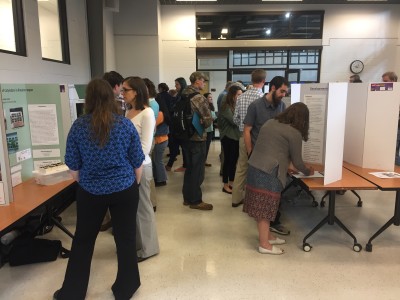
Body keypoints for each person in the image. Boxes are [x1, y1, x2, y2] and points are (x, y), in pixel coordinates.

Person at [54, 78, 145, 300]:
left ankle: (73, 292)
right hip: (124, 188)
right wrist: (135, 185)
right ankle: (126, 287)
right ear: (111, 98)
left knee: (83, 240)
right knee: (125, 238)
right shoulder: (125, 125)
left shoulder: (79, 126)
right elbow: (137, 162)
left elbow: (73, 166)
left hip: (91, 191)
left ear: (89, 100)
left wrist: (85, 182)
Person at [244, 102, 314, 255]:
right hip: (269, 172)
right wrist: (309, 171)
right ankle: (264, 245)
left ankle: (267, 236)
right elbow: (298, 162)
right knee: (266, 208)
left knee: (260, 206)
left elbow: (275, 149)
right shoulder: (294, 132)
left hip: (255, 167)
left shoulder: (270, 122)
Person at [243, 76, 289, 235]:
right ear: (273, 87)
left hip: (277, 158)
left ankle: (273, 223)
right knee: (262, 195)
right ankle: (265, 230)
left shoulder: (281, 106)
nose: (284, 94)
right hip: (260, 159)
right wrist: (250, 152)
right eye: (282, 91)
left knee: (276, 193)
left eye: (286, 92)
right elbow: (247, 130)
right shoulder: (255, 106)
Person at [123, 76, 160, 262]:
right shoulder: (127, 112)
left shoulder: (147, 113)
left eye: (125, 90)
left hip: (141, 166)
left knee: (144, 208)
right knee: (133, 209)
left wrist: (128, 160)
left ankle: (149, 248)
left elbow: (145, 146)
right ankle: (138, 245)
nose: (122, 94)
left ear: (135, 91)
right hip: (127, 167)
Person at [231, 69, 266, 207]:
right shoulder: (263, 98)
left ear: (252, 80)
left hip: (242, 137)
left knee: (241, 168)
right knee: (259, 170)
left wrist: (242, 125)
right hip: (259, 139)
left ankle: (236, 199)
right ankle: (255, 200)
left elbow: (235, 118)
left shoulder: (241, 97)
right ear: (263, 81)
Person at [181, 71, 213, 210]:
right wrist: (204, 121)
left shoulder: (182, 94)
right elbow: (208, 119)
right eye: (203, 81)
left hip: (184, 136)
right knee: (198, 170)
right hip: (197, 137)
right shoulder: (198, 98)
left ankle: (187, 198)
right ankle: (195, 200)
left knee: (189, 168)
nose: (204, 84)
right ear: (197, 81)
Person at [100, 70, 125, 232]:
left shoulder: (81, 124)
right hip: (117, 158)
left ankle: (106, 221)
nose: (122, 91)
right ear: (116, 86)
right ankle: (115, 224)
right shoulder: (120, 104)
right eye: (122, 87)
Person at [218, 85, 243, 194]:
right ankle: (225, 184)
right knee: (228, 161)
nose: (240, 97)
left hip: (235, 137)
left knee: (233, 161)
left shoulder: (235, 105)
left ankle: (231, 183)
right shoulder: (225, 106)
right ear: (232, 95)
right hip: (228, 137)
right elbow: (234, 121)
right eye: (238, 94)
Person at [166, 77, 188, 172]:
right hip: (176, 125)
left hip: (181, 126)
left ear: (182, 84)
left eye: (177, 84)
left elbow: (178, 109)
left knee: (182, 147)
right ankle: (170, 165)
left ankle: (184, 165)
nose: (175, 86)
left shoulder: (184, 95)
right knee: (175, 146)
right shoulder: (178, 95)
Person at [153, 89, 170, 186]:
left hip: (160, 140)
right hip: (162, 140)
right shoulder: (162, 112)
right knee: (157, 160)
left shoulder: (159, 113)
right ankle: (160, 178)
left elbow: (153, 126)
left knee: (158, 161)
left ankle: (161, 180)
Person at [203, 92, 217, 167]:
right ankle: (202, 161)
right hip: (205, 129)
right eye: (209, 97)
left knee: (207, 146)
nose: (211, 99)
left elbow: (214, 117)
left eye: (211, 97)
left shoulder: (211, 106)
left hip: (210, 129)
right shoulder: (204, 107)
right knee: (204, 146)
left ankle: (204, 160)